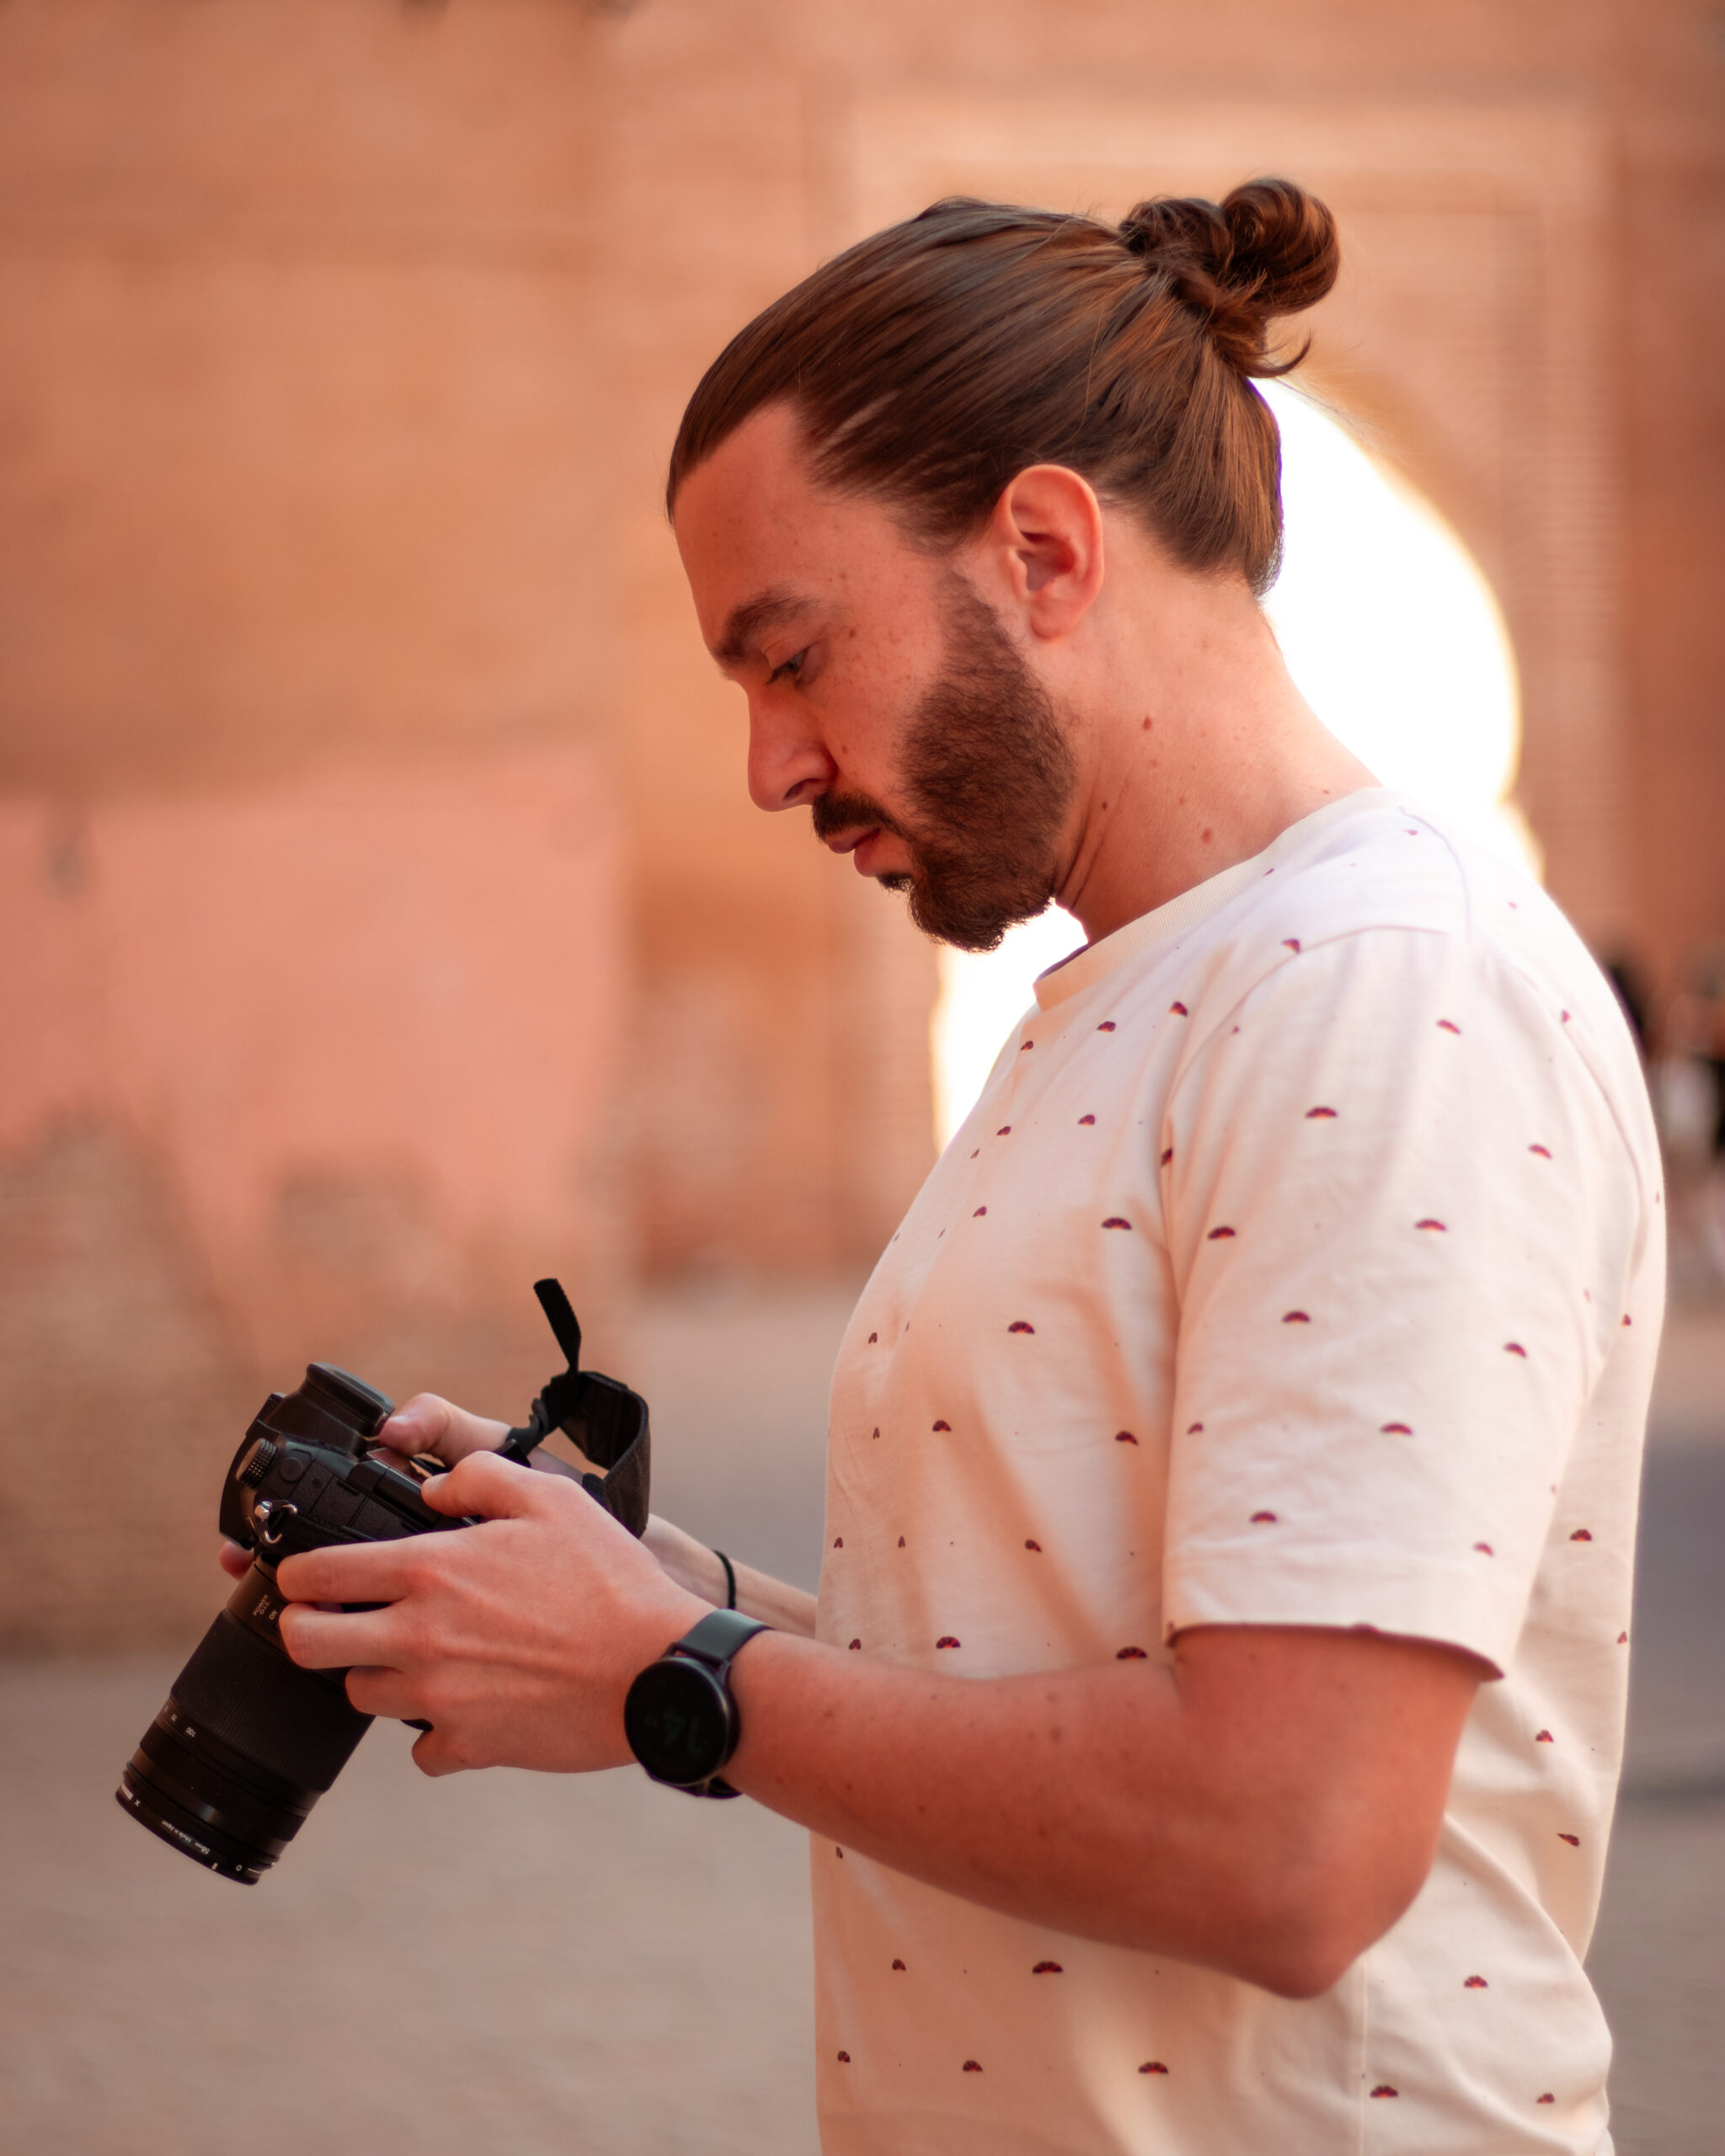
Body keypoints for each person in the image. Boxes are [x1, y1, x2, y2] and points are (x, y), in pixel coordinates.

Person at [255, 179, 1664, 2154]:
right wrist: (628, 1600)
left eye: (792, 657)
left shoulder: (1380, 988)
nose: (766, 765)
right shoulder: (1128, 993)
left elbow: (1288, 1844)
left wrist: (682, 1671)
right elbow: (1036, 1663)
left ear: (1042, 547)